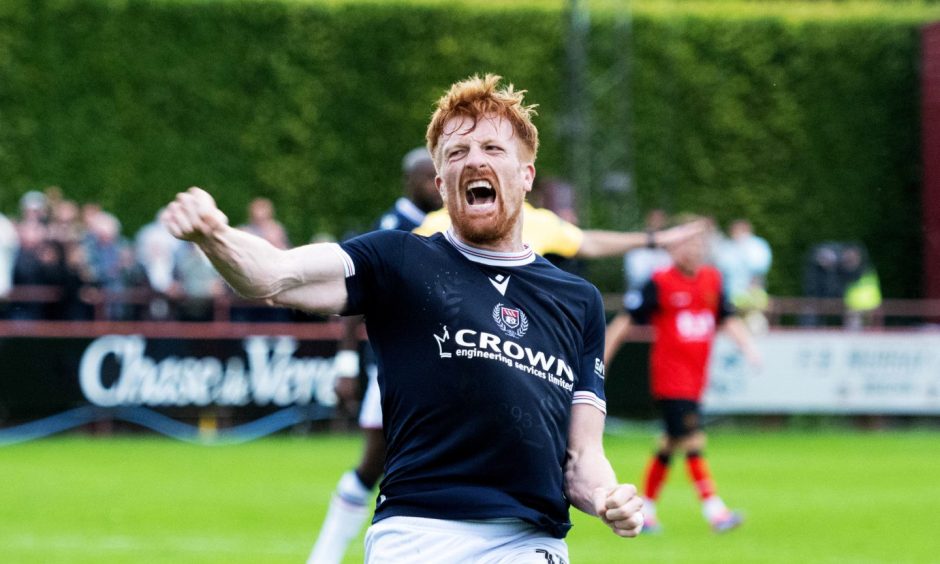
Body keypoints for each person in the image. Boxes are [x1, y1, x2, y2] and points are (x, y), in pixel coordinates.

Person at [162, 74, 643, 563]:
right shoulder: (400, 259)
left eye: (493, 148)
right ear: (440, 184)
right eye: (457, 153)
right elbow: (271, 275)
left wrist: (607, 498)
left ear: (526, 176)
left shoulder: (578, 300)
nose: (474, 159)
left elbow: (582, 457)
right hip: (420, 535)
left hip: (532, 540)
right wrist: (214, 235)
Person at [308, 146, 441, 564]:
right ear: (409, 182)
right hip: (397, 368)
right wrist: (347, 363)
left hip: (439, 366)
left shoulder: (448, 225)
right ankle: (326, 554)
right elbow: (354, 298)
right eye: (426, 178)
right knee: (375, 465)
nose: (435, 186)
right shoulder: (394, 227)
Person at [604, 217, 760, 535]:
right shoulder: (660, 281)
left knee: (670, 442)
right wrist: (601, 357)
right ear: (674, 247)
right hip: (671, 379)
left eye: (700, 242)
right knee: (693, 439)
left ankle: (644, 509)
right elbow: (625, 321)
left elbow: (727, 318)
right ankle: (715, 511)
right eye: (687, 241)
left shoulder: (713, 281)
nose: (694, 248)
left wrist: (749, 349)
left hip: (696, 378)